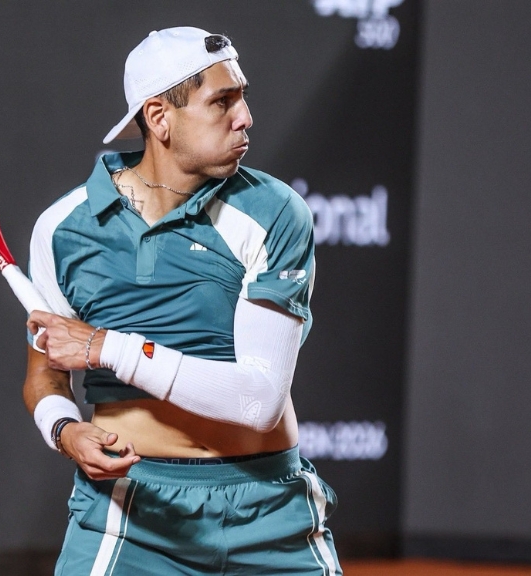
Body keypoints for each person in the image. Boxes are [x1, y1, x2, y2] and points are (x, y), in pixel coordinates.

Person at [23, 26, 341, 575]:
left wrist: (105, 347)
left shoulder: (276, 213)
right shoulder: (61, 229)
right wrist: (65, 430)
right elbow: (46, 376)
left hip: (269, 512)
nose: (245, 117)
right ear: (159, 117)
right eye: (222, 101)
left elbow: (259, 403)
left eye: (242, 96)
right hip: (130, 514)